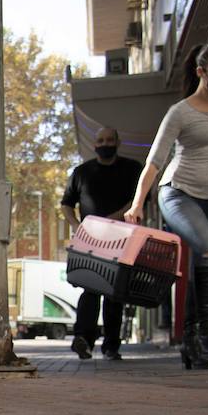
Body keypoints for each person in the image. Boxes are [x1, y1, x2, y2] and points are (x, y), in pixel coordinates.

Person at [124, 41, 208, 370]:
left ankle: (191, 339)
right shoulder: (180, 112)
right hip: (178, 194)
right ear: (201, 72)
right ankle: (206, 330)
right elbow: (154, 161)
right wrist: (137, 204)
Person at [61, 127, 144, 360]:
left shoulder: (132, 169)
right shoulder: (81, 172)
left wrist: (113, 219)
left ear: (118, 143)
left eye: (109, 140)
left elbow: (138, 200)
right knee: (90, 287)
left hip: (123, 239)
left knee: (115, 292)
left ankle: (111, 346)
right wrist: (77, 226)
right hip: (92, 240)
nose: (105, 144)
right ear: (94, 144)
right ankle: (83, 339)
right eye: (100, 140)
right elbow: (66, 203)